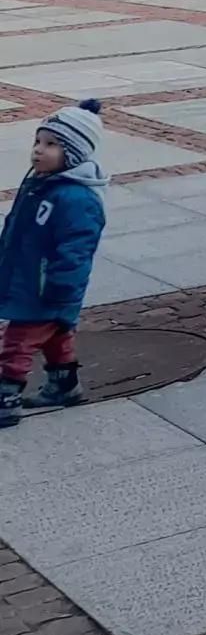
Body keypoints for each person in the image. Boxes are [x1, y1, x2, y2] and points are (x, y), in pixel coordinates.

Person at [0, 100, 107, 426]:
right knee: (56, 335)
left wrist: (61, 285)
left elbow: (76, 249)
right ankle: (65, 385)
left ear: (72, 154)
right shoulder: (40, 185)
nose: (38, 151)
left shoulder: (75, 198)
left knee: (18, 340)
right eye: (37, 142)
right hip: (30, 280)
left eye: (51, 145)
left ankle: (6, 398)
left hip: (47, 287)